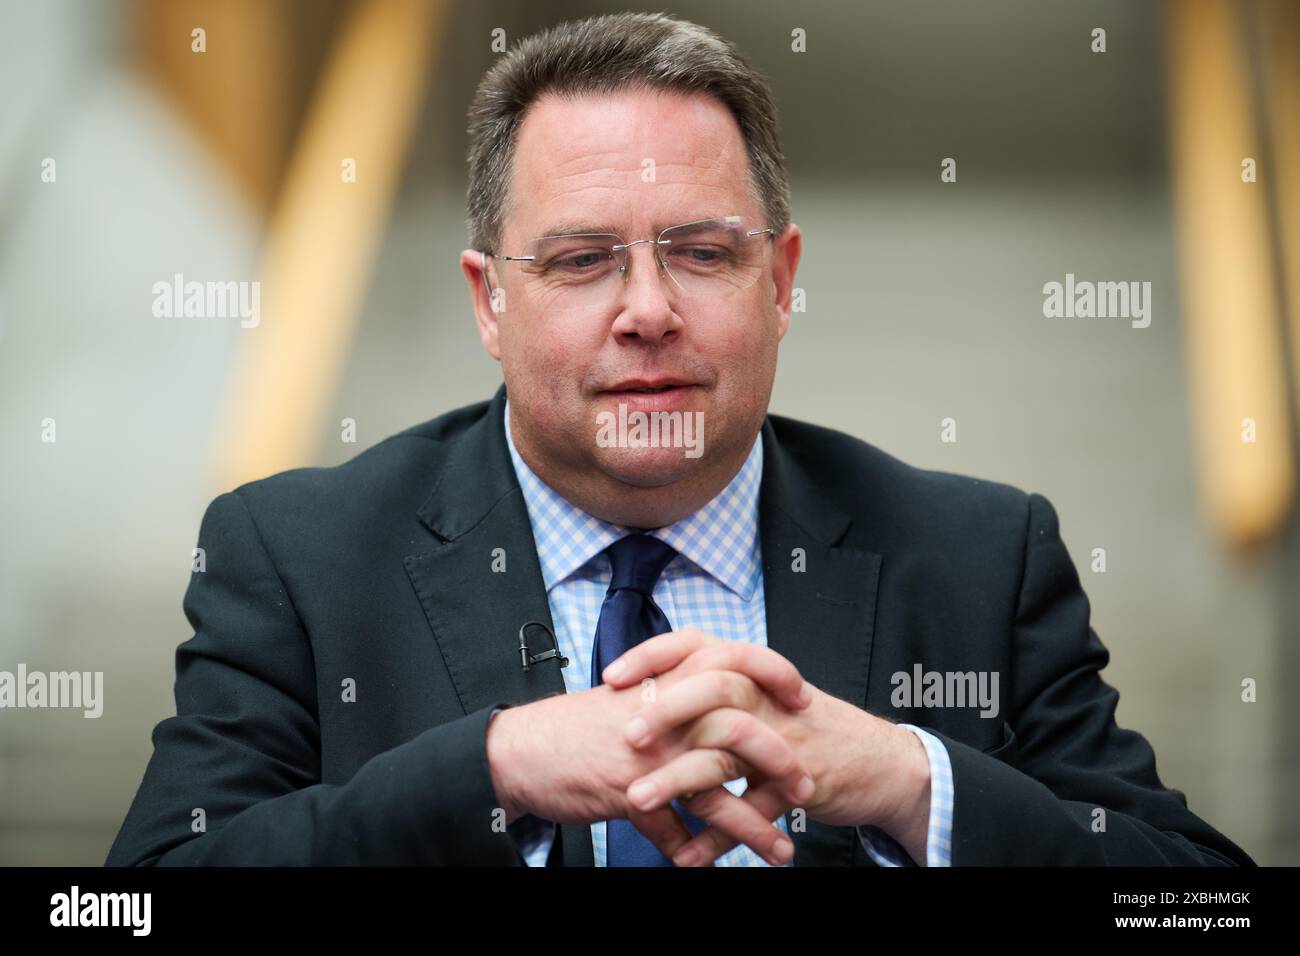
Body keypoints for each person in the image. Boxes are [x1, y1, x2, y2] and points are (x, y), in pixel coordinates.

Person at [106, 12, 1255, 867]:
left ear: (781, 279)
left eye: (702, 252)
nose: (647, 308)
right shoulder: (299, 552)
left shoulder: (975, 551)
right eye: (579, 258)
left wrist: (917, 783)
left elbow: (1199, 895)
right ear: (487, 303)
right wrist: (489, 768)